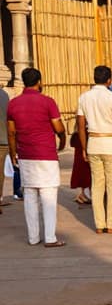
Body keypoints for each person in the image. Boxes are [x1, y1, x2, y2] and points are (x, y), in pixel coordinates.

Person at [6, 68, 68, 247]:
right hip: (46, 154)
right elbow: (59, 127)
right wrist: (62, 141)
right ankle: (50, 237)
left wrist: (13, 153)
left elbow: (11, 132)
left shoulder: (14, 104)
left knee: (30, 196)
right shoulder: (48, 102)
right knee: (48, 196)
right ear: (39, 81)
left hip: (25, 154)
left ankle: (33, 237)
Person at [77, 65, 112, 234]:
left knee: (97, 185)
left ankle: (99, 224)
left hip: (93, 143)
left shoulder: (84, 97)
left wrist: (83, 148)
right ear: (109, 80)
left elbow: (81, 125)